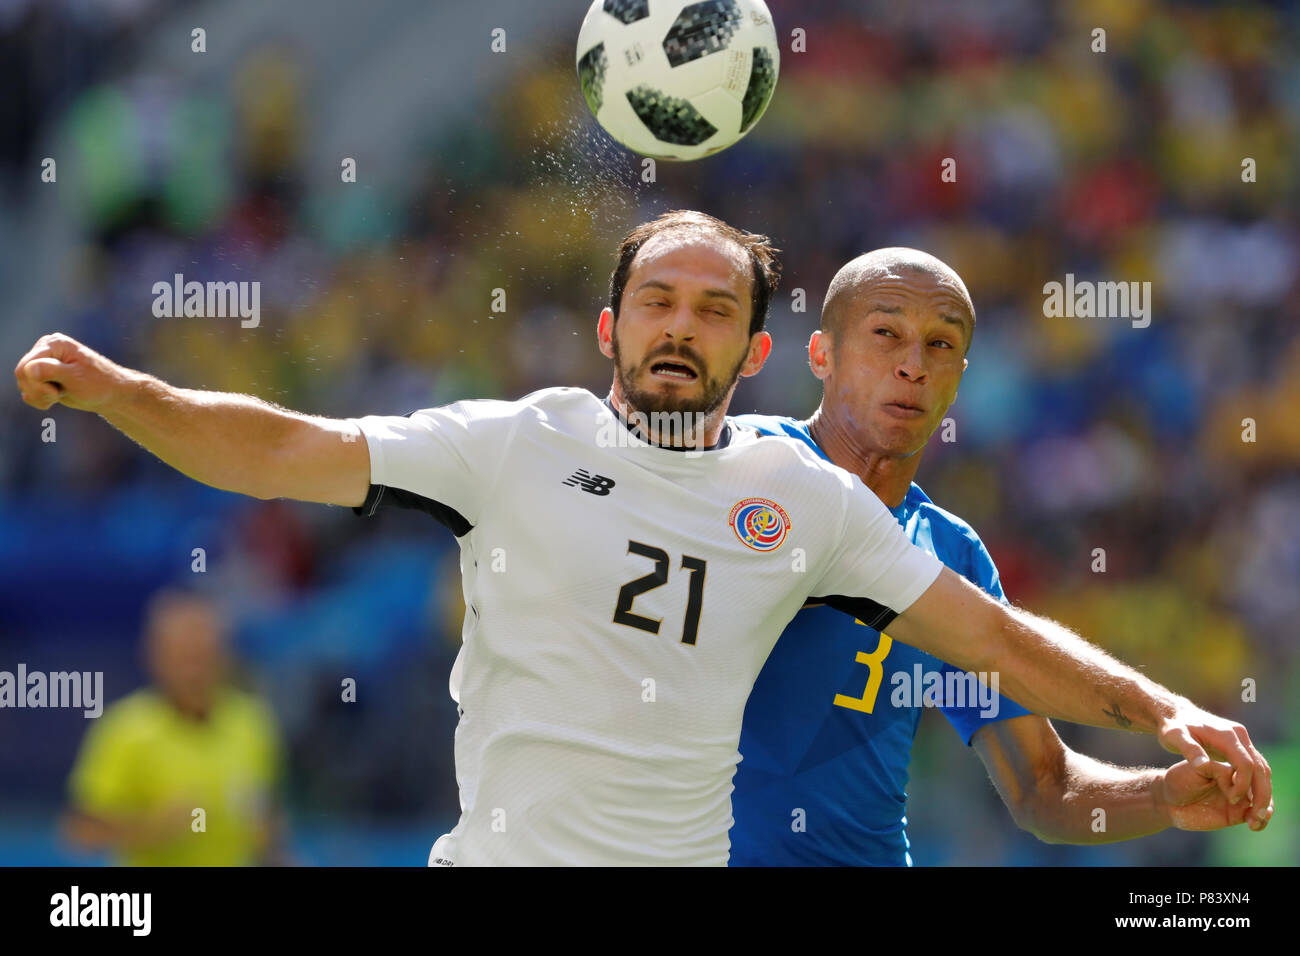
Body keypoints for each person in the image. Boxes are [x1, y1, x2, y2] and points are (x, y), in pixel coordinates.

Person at [15, 210, 1271, 866]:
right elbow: (285, 447)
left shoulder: (828, 515)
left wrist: (1165, 725)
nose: (682, 325)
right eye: (656, 302)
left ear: (755, 349)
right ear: (608, 329)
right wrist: (130, 391)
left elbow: (999, 659)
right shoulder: (522, 442)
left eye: (714, 308)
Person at [729, 249, 1268, 865]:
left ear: (961, 375)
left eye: (940, 345)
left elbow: (1044, 787)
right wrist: (1164, 710)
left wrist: (1162, 795)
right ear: (821, 353)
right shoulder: (746, 465)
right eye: (885, 334)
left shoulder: (949, 549)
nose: (912, 366)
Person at [61, 589, 287, 866]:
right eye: (183, 656)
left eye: (203, 654)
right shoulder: (124, 730)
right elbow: (80, 831)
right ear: (155, 657)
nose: (194, 669)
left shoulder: (252, 724)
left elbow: (267, 819)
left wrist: (275, 851)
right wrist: (151, 828)